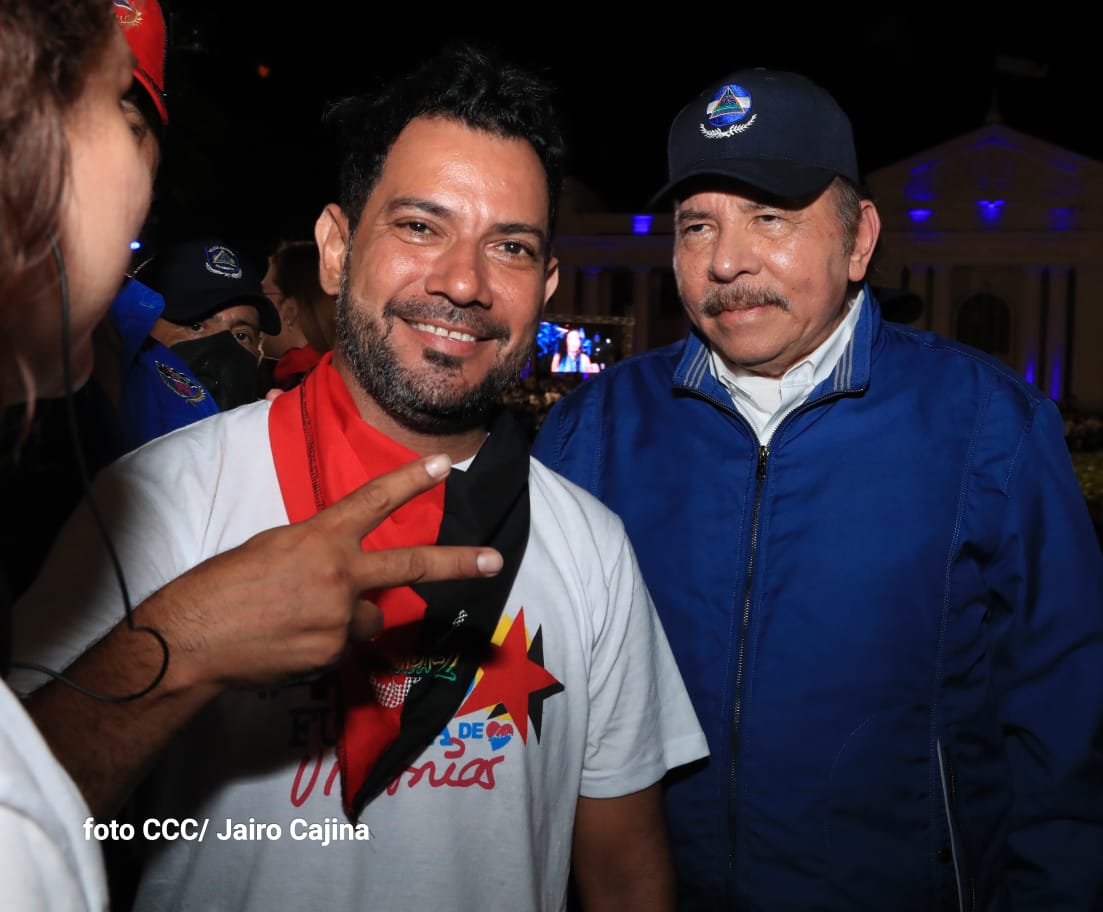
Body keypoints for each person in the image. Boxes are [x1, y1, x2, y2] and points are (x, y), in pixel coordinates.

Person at [10, 44, 708, 911]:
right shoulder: (155, 501)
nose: (464, 282)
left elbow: (625, 874)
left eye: (511, 247)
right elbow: (19, 812)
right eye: (420, 226)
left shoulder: (591, 548)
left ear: (546, 286)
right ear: (337, 249)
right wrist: (184, 643)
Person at [533, 67, 1103, 909]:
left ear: (858, 239)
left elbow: (1062, 726)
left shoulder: (992, 426)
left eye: (769, 217)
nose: (726, 261)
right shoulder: (591, 429)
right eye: (697, 226)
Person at [259, 238, 337, 391]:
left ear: (290, 311)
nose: (256, 308)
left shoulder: (297, 381)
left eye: (263, 295)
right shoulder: (343, 373)